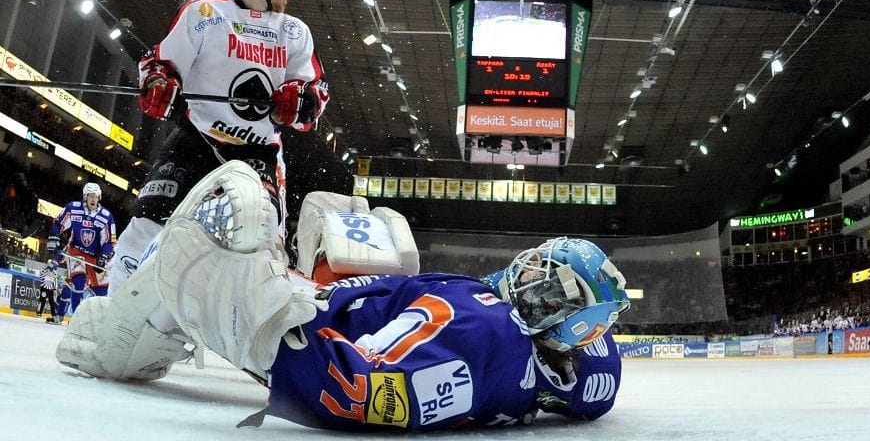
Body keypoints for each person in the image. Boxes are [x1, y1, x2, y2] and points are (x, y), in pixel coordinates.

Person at [58, 161, 629, 431]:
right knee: (348, 215)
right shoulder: (586, 373)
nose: (530, 279)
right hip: (355, 302)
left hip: (310, 325)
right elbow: (592, 369)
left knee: (233, 210)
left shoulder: (485, 333)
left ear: (573, 324)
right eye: (539, 266)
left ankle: (126, 335)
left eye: (551, 286)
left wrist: (267, 324)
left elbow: (356, 391)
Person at [107, 0, 329, 293]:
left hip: (257, 155)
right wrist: (159, 83)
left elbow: (315, 94)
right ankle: (115, 314)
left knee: (262, 249)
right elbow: (160, 63)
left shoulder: (294, 32)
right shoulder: (204, 14)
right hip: (196, 140)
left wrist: (301, 101)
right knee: (146, 224)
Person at [47, 182, 116, 314]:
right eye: (90, 196)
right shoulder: (73, 208)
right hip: (76, 252)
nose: (93, 199)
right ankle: (75, 317)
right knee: (78, 281)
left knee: (102, 291)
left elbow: (109, 241)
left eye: (96, 196)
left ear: (99, 198)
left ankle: (99, 319)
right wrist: (54, 237)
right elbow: (58, 223)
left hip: (95, 256)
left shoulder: (106, 216)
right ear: (85, 197)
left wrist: (103, 255)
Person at [37, 259, 62, 323]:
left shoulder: (54, 272)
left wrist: (55, 289)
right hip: (44, 288)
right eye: (50, 263)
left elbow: (55, 281)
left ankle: (53, 314)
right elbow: (41, 276)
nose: (51, 264)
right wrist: (47, 271)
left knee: (52, 303)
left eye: (52, 264)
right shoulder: (44, 269)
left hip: (50, 289)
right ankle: (39, 312)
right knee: (42, 300)